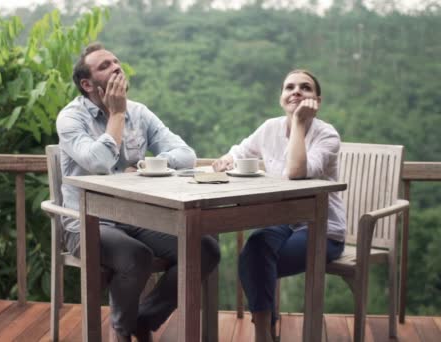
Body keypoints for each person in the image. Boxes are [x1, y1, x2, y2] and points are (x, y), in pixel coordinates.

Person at [57, 42, 221, 342]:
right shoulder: (71, 118)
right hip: (85, 221)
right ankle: (121, 331)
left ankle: (142, 319)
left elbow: (186, 155)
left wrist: (147, 163)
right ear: (87, 84)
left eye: (117, 61)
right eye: (104, 66)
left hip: (136, 218)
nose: (116, 67)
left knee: (205, 248)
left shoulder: (141, 113)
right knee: (136, 256)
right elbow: (98, 163)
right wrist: (116, 115)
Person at [212, 69, 346, 342]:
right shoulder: (269, 128)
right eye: (290, 87)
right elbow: (240, 151)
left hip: (321, 227)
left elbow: (296, 171)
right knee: (254, 251)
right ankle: (264, 332)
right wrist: (226, 159)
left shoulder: (327, 136)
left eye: (305, 88)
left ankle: (264, 331)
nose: (296, 91)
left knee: (257, 263)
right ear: (281, 97)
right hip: (282, 221)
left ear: (316, 101)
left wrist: (298, 122)